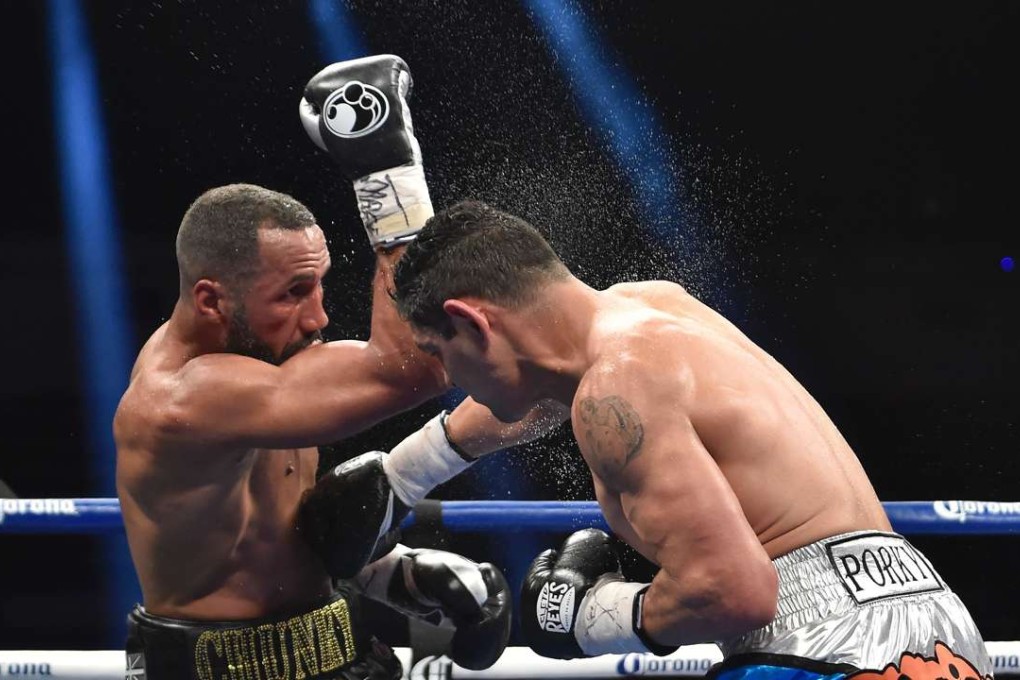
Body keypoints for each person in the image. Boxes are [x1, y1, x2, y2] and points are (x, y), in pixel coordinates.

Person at [338, 199, 993, 679]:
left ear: (470, 323)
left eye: (440, 353)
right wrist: (403, 476)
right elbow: (541, 397)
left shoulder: (611, 392)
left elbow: (735, 591)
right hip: (938, 628)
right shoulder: (652, 309)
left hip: (819, 649)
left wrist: (594, 615)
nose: (450, 378)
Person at [113, 56, 510, 680]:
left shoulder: (267, 362)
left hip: (336, 644)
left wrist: (388, 572)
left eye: (320, 285)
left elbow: (269, 532)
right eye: (293, 293)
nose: (319, 318)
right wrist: (387, 175)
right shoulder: (184, 398)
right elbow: (419, 364)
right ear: (211, 299)